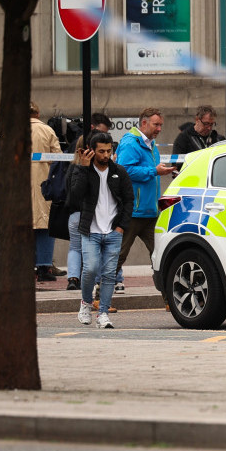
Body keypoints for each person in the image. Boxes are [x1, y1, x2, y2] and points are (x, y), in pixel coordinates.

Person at [67, 132, 133, 329]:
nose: (106, 155)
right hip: (90, 230)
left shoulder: (119, 171)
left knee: (110, 274)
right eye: (101, 151)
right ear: (92, 151)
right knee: (90, 269)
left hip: (113, 231)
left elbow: (129, 200)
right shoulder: (82, 170)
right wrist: (83, 168)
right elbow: (74, 197)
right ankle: (86, 303)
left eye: (109, 151)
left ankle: (103, 313)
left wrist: (121, 227)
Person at [114, 106, 177, 292]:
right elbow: (124, 170)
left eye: (161, 125)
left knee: (162, 256)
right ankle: (99, 297)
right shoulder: (130, 143)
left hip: (150, 212)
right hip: (132, 212)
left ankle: (169, 299)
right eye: (156, 125)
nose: (159, 129)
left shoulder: (150, 144)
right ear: (144, 123)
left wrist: (159, 171)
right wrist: (154, 171)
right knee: (118, 256)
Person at [27, 102, 61, 282]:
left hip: (20, 186)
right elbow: (58, 158)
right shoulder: (47, 130)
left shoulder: (12, 131)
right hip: (44, 185)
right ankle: (44, 266)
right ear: (38, 114)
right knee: (46, 225)